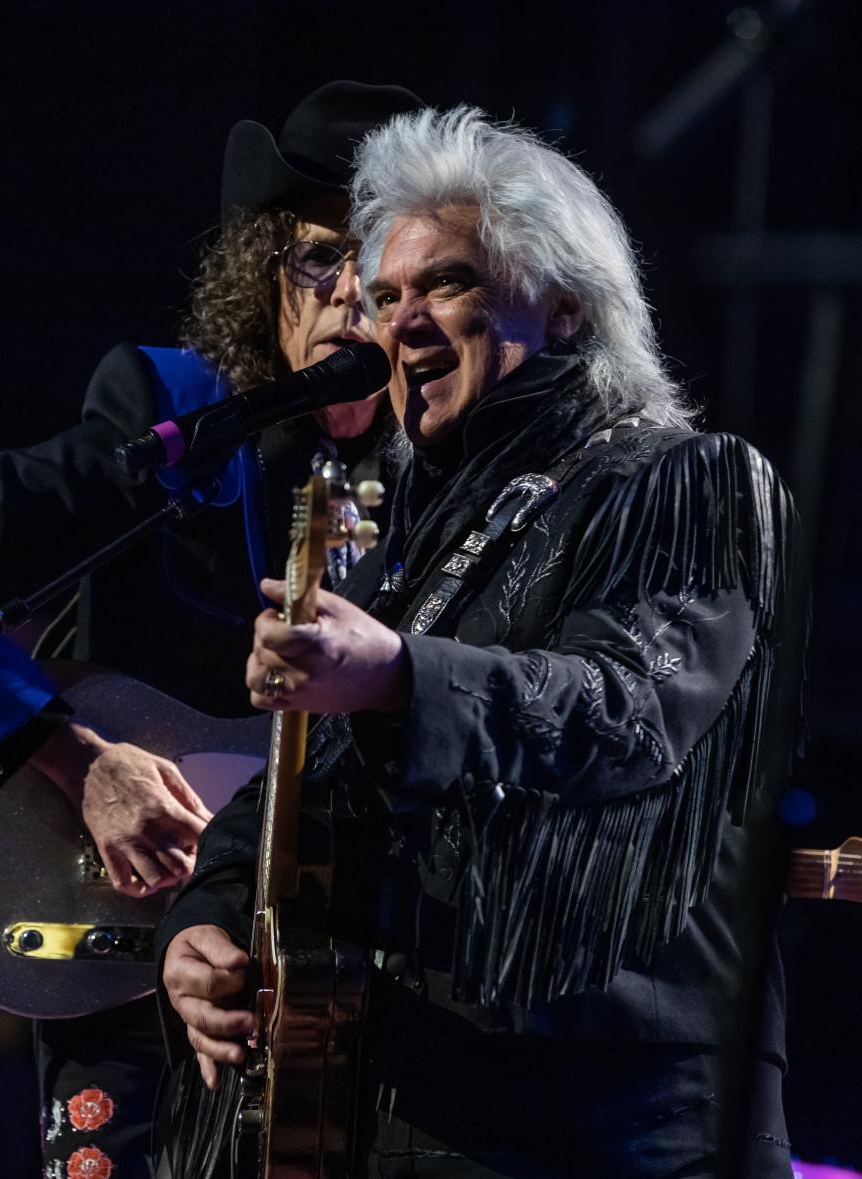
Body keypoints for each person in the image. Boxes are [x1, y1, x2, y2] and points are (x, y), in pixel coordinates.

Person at [158, 106, 798, 1178]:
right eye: (386, 294)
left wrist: (401, 675)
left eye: (446, 283)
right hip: (411, 1087)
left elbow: (624, 714)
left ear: (564, 303)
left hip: (609, 1114)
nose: (397, 323)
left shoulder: (688, 480)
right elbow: (296, 793)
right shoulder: (413, 533)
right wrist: (204, 921)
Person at [0, 80, 423, 1177]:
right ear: (266, 272)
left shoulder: (467, 483)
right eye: (319, 258)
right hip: (127, 971)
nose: (349, 298)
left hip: (375, 1009)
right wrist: (69, 755)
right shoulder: (173, 414)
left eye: (382, 266)